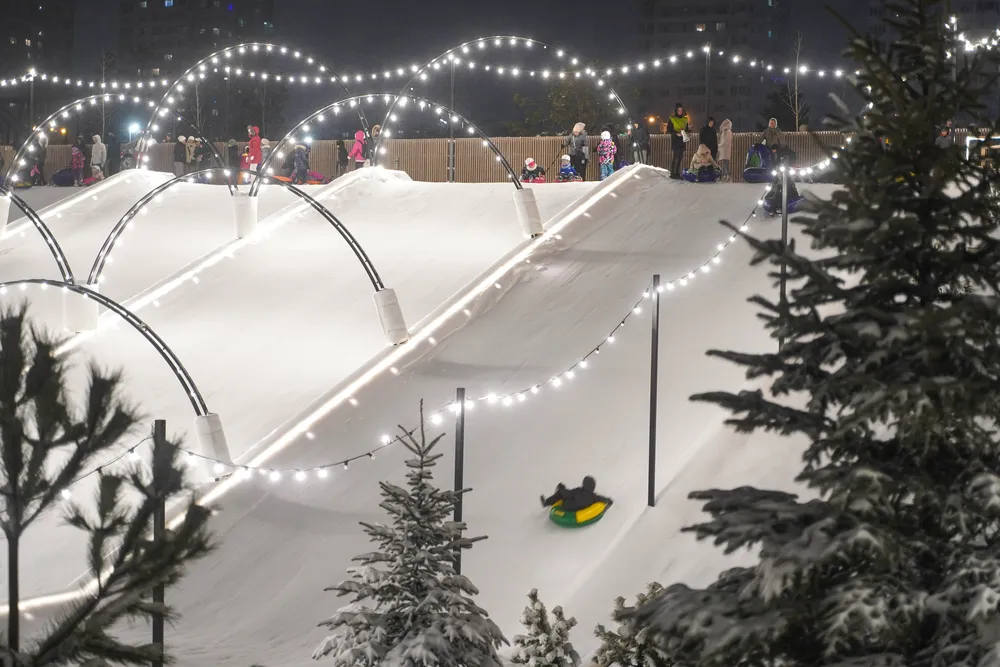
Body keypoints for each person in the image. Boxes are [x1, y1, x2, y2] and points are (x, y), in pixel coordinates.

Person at [541, 476, 613, 512]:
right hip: (579, 508)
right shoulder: (593, 496)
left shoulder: (578, 490)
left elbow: (569, 493)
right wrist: (609, 500)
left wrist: (562, 489)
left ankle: (546, 503)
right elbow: (601, 498)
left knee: (561, 492)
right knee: (566, 492)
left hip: (568, 506)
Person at [667, 103, 690, 179]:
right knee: (675, 156)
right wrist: (676, 133)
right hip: (675, 139)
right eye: (679, 110)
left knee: (680, 157)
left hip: (682, 139)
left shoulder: (685, 119)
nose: (680, 112)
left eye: (681, 110)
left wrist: (688, 131)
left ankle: (677, 173)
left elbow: (686, 129)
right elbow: (669, 129)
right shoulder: (672, 118)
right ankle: (673, 173)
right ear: (676, 111)